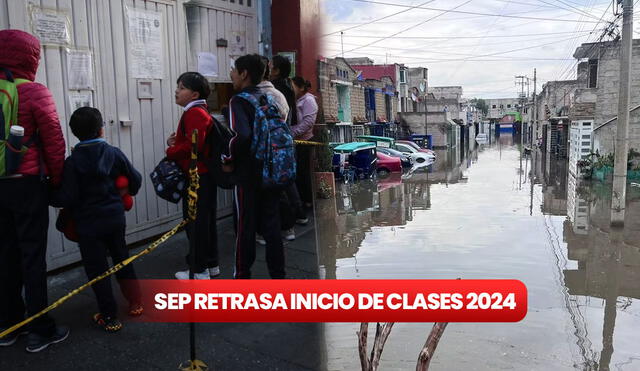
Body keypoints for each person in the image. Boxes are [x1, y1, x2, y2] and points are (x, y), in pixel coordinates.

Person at [0, 29, 69, 352]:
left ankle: (8, 325)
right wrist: (56, 182)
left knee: (5, 255)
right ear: (31, 57)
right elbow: (54, 140)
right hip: (27, 186)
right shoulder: (35, 91)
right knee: (32, 258)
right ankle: (41, 329)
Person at [55, 107, 143, 333]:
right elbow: (135, 179)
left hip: (88, 223)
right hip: (114, 217)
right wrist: (124, 191)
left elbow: (67, 197)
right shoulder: (114, 153)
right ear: (102, 129)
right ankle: (135, 303)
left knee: (97, 269)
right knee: (122, 258)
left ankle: (109, 316)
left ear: (74, 133)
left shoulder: (72, 162)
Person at [224, 54, 285, 279]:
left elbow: (241, 135)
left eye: (233, 70)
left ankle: (242, 278)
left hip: (248, 174)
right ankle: (278, 277)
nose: (230, 74)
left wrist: (227, 160)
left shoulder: (238, 100)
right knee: (271, 228)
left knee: (244, 229)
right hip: (273, 169)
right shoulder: (269, 97)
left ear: (244, 74)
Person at [166, 72, 218, 280]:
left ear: (194, 93)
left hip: (198, 177)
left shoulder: (195, 113)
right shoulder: (198, 111)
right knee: (205, 221)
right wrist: (176, 142)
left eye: (181, 87)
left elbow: (193, 146)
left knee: (195, 222)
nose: (177, 91)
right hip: (203, 176)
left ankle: (199, 271)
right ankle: (210, 265)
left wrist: (171, 151)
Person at [291, 76, 319, 207]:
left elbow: (308, 123)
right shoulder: (296, 100)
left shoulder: (308, 100)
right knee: (298, 172)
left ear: (301, 87)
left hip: (305, 141)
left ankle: (308, 201)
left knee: (304, 172)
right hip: (296, 141)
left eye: (293, 86)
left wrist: (291, 133)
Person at [270, 55, 298, 127]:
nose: (267, 68)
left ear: (276, 71)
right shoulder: (287, 85)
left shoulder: (278, 89)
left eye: (270, 65)